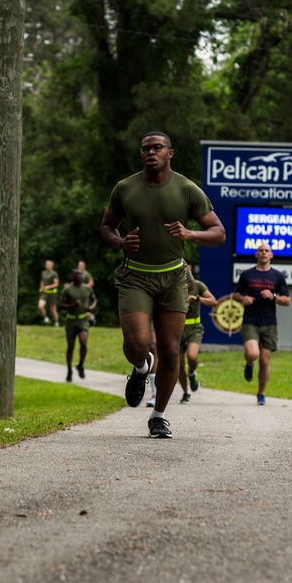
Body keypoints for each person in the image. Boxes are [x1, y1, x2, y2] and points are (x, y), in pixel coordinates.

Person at [100, 131, 225, 438]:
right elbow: (106, 226)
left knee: (171, 352)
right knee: (137, 344)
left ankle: (158, 416)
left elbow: (219, 232)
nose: (150, 153)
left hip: (173, 277)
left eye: (157, 148)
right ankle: (142, 368)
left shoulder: (186, 189)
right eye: (145, 149)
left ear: (171, 153)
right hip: (135, 277)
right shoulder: (125, 188)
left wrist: (190, 234)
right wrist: (119, 241)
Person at [232, 243, 290, 406]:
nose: (264, 253)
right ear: (256, 255)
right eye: (261, 251)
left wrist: (273, 297)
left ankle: (261, 393)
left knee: (265, 361)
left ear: (271, 255)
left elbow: (287, 301)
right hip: (250, 321)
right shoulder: (247, 275)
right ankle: (249, 364)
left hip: (270, 324)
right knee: (252, 353)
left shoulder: (277, 276)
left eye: (267, 251)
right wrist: (243, 299)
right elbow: (236, 294)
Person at [178, 266, 217, 403]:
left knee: (192, 356)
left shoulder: (198, 285)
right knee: (179, 364)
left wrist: (198, 298)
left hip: (194, 327)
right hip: (176, 329)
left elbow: (214, 301)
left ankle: (192, 373)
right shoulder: (173, 286)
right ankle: (185, 392)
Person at [57, 267, 97, 382]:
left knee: (83, 342)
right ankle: (69, 369)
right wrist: (72, 305)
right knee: (71, 347)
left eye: (81, 274)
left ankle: (80, 365)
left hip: (83, 320)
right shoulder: (68, 290)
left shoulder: (87, 289)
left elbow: (94, 299)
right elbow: (60, 306)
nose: (79, 276)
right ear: (73, 277)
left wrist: (91, 308)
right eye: (77, 274)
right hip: (71, 321)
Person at [37, 259, 60, 326]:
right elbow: (42, 281)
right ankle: (46, 318)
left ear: (52, 266)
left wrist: (49, 286)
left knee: (53, 310)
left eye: (49, 264)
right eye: (46, 264)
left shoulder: (54, 273)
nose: (47, 266)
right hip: (45, 293)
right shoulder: (43, 273)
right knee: (40, 306)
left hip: (52, 293)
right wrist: (41, 287)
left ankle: (56, 323)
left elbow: (56, 284)